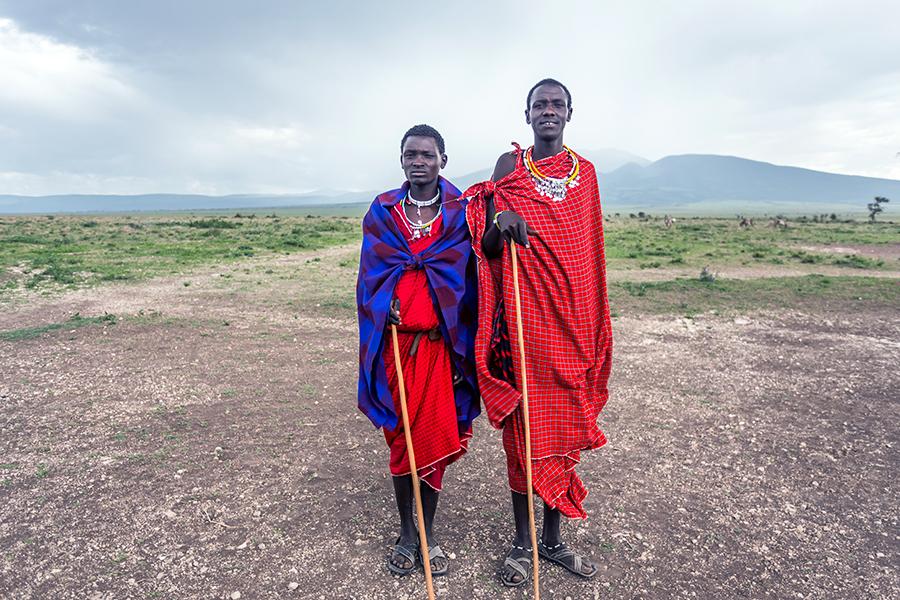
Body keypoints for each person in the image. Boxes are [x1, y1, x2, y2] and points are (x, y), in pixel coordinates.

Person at [464, 79, 613, 587]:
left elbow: (589, 256)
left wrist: (592, 324)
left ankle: (553, 542)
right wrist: (500, 219)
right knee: (523, 438)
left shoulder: (585, 174)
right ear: (526, 115)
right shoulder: (509, 169)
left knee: (563, 434)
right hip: (524, 326)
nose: (548, 111)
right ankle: (523, 545)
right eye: (539, 105)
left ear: (570, 113)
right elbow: (484, 247)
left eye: (556, 104)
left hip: (570, 328)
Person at [357, 124, 479, 578]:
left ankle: (425, 534)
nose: (418, 161)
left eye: (427, 154)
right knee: (400, 441)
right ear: (401, 158)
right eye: (411, 154)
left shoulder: (461, 211)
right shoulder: (384, 210)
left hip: (439, 349)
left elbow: (471, 280)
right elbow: (370, 273)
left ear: (442, 159)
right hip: (394, 346)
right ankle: (407, 534)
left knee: (430, 440)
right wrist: (379, 302)